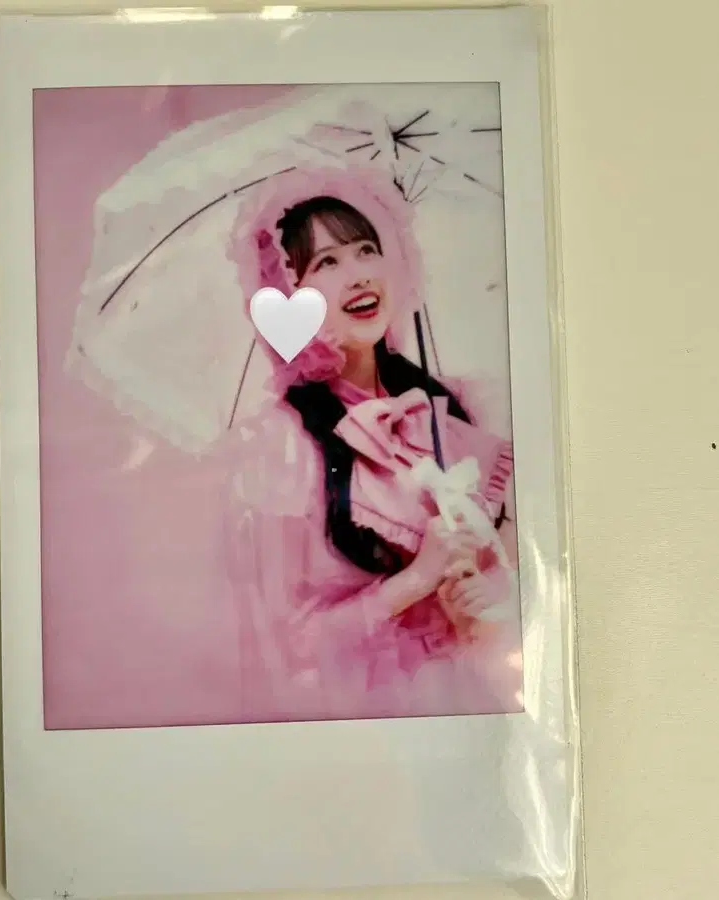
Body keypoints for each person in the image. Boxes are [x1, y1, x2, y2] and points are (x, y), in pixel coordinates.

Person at [221, 164, 520, 723]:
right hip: (372, 712)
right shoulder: (281, 447)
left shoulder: (452, 410)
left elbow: (521, 555)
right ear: (285, 295)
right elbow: (288, 644)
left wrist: (488, 596)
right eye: (326, 263)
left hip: (478, 698)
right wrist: (415, 580)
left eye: (365, 250)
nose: (357, 275)